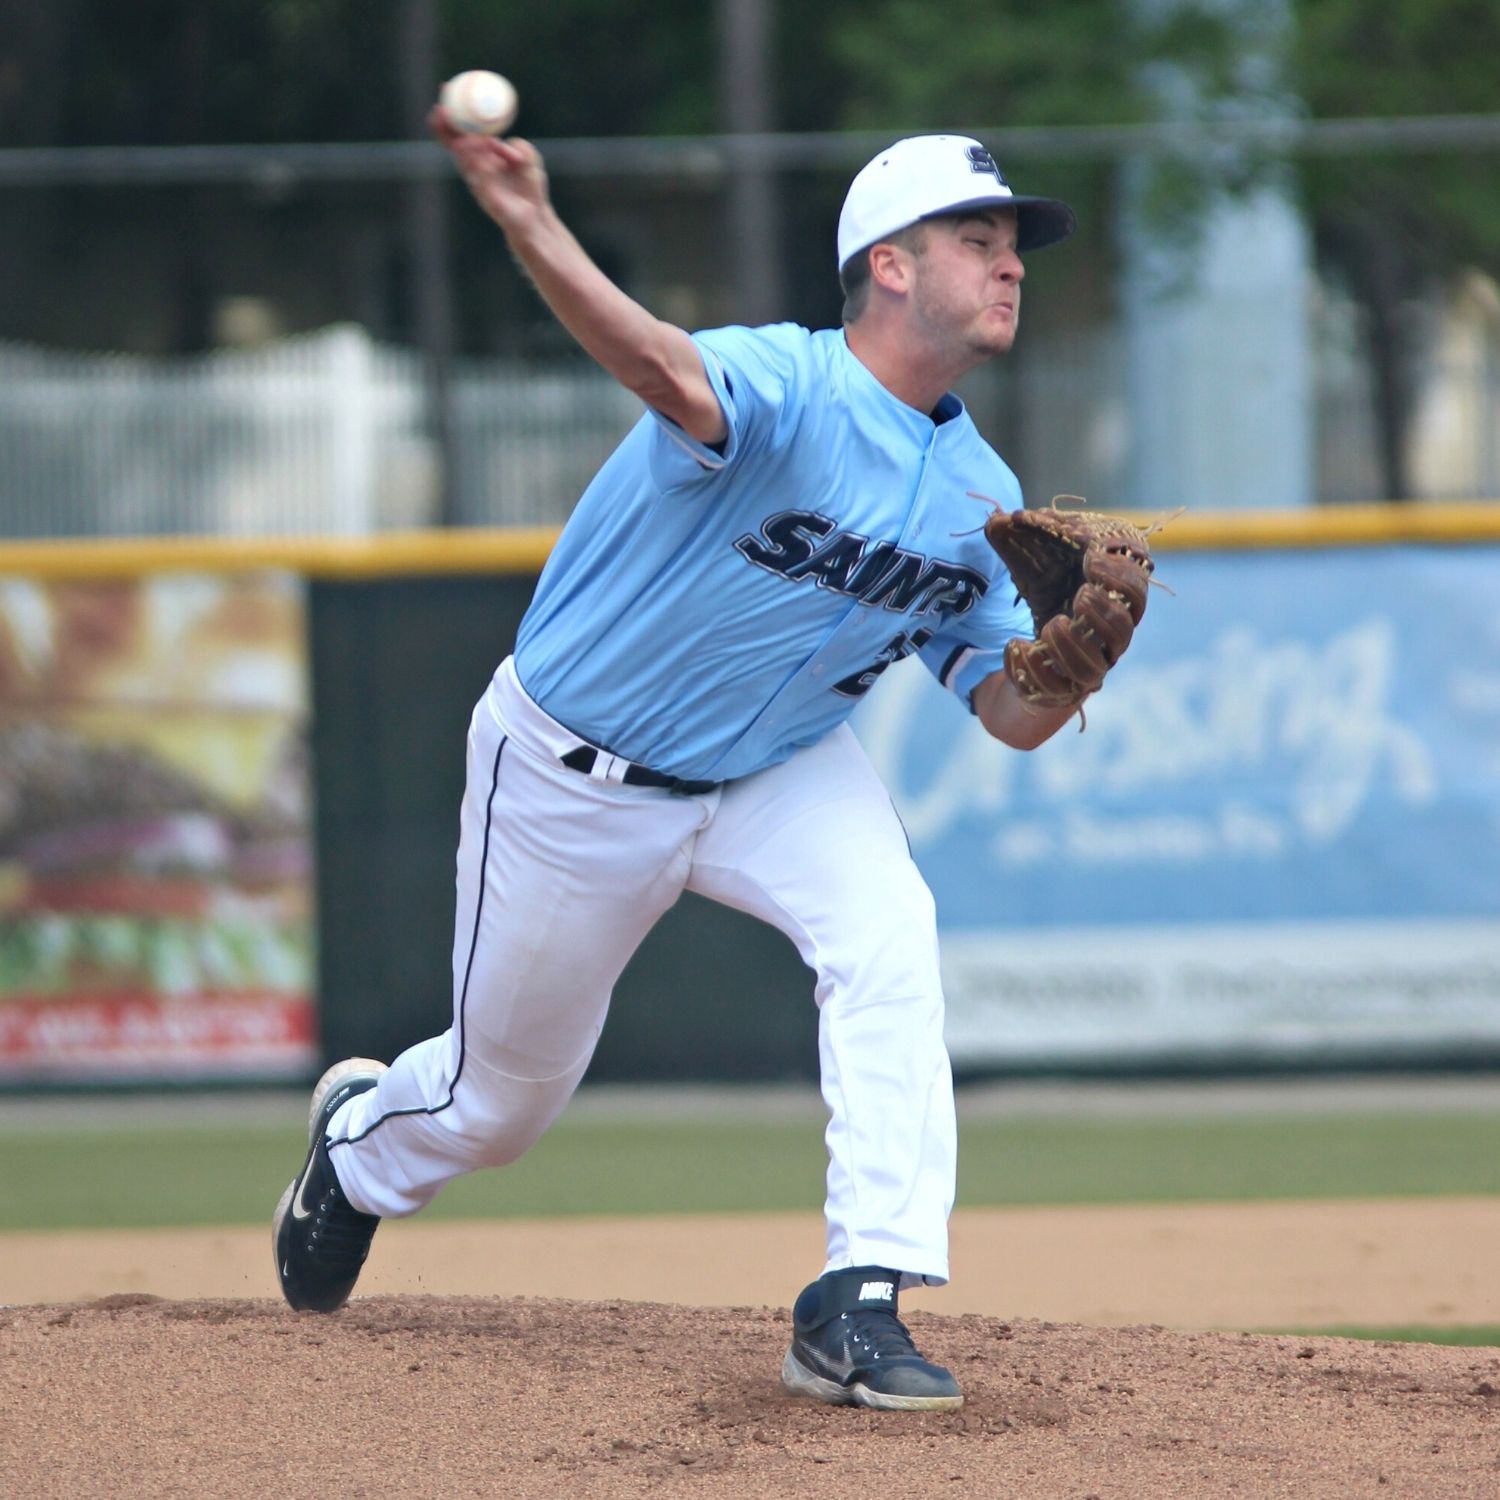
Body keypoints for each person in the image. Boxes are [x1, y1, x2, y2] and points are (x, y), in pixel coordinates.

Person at [274, 120, 1093, 1413]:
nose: (1012, 267)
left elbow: (1005, 710)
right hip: (575, 774)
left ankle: (860, 1296)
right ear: (889, 265)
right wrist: (532, 225)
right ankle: (359, 1151)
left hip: (775, 767)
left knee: (890, 933)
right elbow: (656, 365)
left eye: (1013, 247)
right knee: (502, 1106)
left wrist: (1067, 671)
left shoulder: (979, 493)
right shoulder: (786, 385)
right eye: (979, 242)